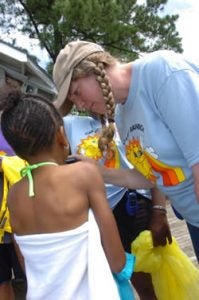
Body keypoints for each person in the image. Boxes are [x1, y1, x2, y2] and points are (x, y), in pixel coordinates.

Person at [52, 40, 199, 262]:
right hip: (193, 217)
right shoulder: (121, 115)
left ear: (94, 68)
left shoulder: (162, 72)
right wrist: (98, 171)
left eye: (77, 92)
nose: (80, 105)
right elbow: (151, 177)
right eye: (74, 101)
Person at [0, 87, 137, 300]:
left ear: (17, 151)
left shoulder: (14, 195)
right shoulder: (83, 173)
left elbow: (27, 267)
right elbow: (117, 261)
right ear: (61, 135)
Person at [64, 113, 172, 300]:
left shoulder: (128, 112)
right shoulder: (70, 123)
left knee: (151, 283)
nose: (79, 101)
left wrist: (159, 211)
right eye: (72, 95)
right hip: (103, 216)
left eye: (77, 91)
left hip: (139, 208)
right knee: (120, 281)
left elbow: (154, 167)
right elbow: (43, 113)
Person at [0, 131, 27, 300]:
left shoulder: (19, 120)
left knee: (27, 277)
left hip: (22, 218)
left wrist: (5, 162)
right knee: (2, 280)